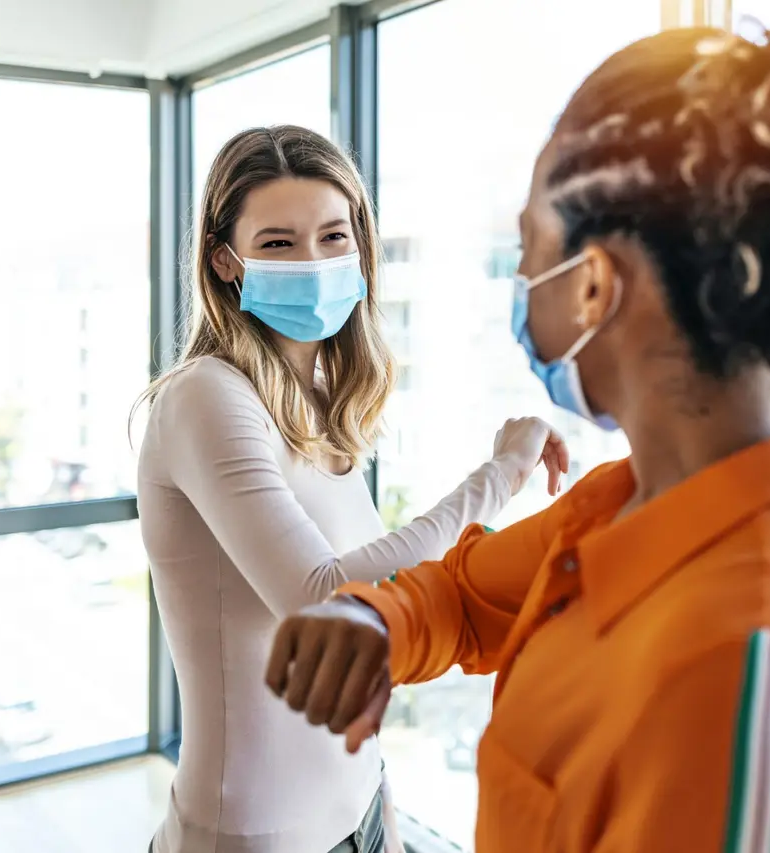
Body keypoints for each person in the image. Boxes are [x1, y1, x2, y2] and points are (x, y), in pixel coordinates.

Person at [265, 3, 770, 851]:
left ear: (594, 286)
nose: (524, 274)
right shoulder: (621, 505)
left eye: (530, 245)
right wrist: (376, 624)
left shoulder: (753, 666)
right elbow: (464, 596)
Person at [134, 125, 569, 853]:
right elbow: (328, 598)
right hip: (255, 836)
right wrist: (501, 474)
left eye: (334, 236)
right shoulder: (206, 396)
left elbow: (375, 599)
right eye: (278, 243)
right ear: (224, 261)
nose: (314, 261)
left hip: (359, 808)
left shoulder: (317, 399)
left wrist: (381, 807)